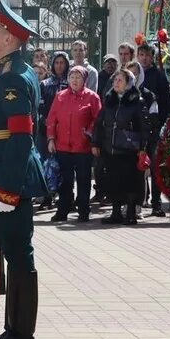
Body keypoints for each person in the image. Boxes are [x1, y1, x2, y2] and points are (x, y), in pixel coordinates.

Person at [0, 0, 48, 339]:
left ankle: (20, 335)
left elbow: (21, 136)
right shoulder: (9, 71)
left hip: (10, 175)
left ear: (8, 38)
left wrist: (8, 186)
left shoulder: (14, 77)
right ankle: (13, 330)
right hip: (3, 168)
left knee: (19, 255)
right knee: (14, 253)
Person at [92, 67, 149, 225]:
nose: (116, 83)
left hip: (129, 150)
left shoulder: (137, 101)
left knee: (130, 182)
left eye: (120, 80)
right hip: (111, 148)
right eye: (115, 80)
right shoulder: (109, 99)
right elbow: (99, 123)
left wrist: (143, 148)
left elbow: (144, 127)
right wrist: (96, 142)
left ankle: (130, 213)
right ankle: (116, 212)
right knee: (113, 182)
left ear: (128, 83)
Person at [47, 64, 101, 222]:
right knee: (65, 181)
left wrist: (89, 133)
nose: (75, 80)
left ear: (84, 79)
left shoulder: (92, 97)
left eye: (78, 77)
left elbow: (98, 120)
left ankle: (84, 211)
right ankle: (62, 211)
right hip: (63, 145)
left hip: (83, 146)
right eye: (72, 77)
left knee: (84, 180)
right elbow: (52, 119)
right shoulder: (60, 96)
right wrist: (51, 138)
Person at [136, 42, 170, 216]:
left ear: (152, 57)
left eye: (147, 55)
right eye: (141, 55)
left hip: (154, 127)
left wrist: (160, 122)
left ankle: (157, 203)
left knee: (156, 166)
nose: (144, 58)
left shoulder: (159, 76)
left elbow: (165, 101)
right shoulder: (133, 73)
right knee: (136, 166)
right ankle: (136, 201)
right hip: (135, 129)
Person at [37, 51, 71, 210]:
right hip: (46, 130)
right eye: (56, 63)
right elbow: (41, 107)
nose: (59, 66)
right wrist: (49, 124)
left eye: (62, 63)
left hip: (66, 131)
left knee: (65, 166)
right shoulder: (45, 84)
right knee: (45, 163)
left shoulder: (71, 83)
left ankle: (65, 198)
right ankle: (46, 198)